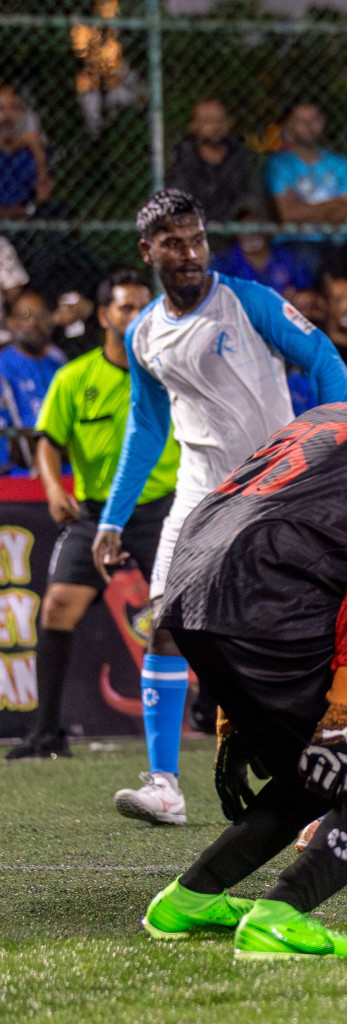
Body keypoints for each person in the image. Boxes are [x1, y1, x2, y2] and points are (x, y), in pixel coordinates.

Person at [138, 321, 347, 960]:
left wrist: (230, 708)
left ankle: (189, 898)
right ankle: (280, 916)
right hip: (270, 607)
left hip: (190, 596)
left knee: (319, 767)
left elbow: (223, 508)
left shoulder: (323, 417)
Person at [90, 189, 347, 826]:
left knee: (300, 639)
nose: (189, 253)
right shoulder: (144, 332)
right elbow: (146, 429)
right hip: (198, 494)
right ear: (147, 250)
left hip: (275, 490)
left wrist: (329, 449)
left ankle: (327, 780)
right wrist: (111, 518)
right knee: (164, 624)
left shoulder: (248, 302)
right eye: (174, 243)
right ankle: (164, 788)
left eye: (198, 239)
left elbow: (324, 361)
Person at [6, 272, 178, 761]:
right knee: (56, 607)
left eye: (145, 307)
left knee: (185, 613)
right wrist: (52, 487)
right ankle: (46, 733)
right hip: (95, 512)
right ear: (104, 316)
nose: (136, 316)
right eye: (125, 308)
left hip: (159, 509)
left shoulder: (169, 374)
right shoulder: (74, 377)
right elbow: (47, 442)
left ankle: (212, 715)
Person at [263, 102, 347, 270]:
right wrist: (335, 205)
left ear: (323, 122)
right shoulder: (278, 165)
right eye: (302, 121)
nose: (309, 127)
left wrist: (304, 209)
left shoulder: (342, 163)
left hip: (338, 243)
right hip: (295, 242)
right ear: (288, 126)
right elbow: (288, 213)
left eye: (314, 120)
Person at [165, 98, 262, 225]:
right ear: (193, 125)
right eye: (207, 121)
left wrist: (242, 216)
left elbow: (251, 198)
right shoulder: (181, 160)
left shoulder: (243, 157)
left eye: (219, 121)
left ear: (229, 123)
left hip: (236, 233)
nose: (215, 127)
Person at [210, 203, 312, 295]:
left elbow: (305, 292)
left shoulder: (289, 257)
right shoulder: (223, 264)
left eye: (255, 224)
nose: (250, 232)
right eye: (243, 226)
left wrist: (295, 297)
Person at [0, 292, 65, 430]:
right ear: (12, 322)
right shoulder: (3, 367)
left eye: (41, 316)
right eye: (25, 316)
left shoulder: (58, 363)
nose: (34, 323)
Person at [0, 84, 52, 218]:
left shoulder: (27, 118)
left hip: (22, 161)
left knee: (25, 158)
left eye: (12, 106)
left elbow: (35, 147)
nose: (7, 113)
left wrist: (43, 179)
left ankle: (22, 208)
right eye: (1, 108)